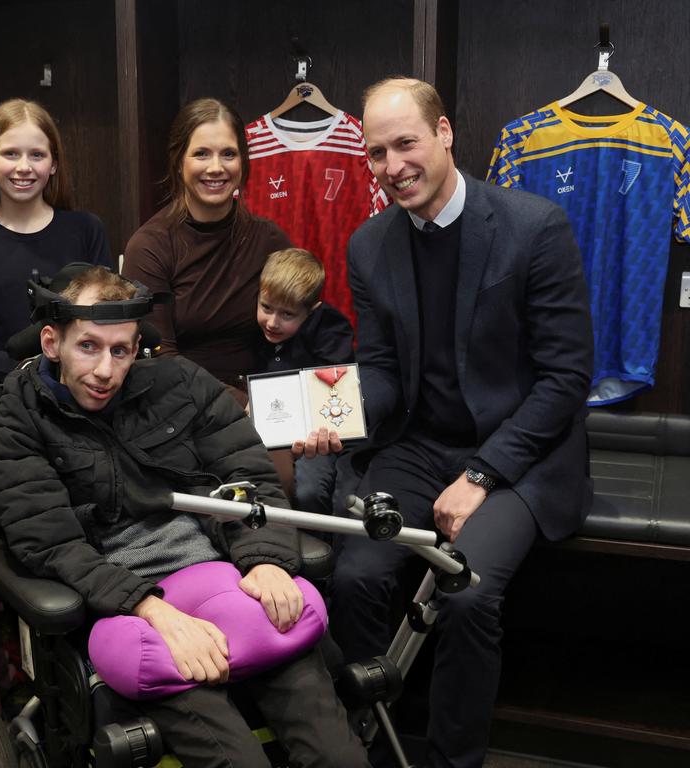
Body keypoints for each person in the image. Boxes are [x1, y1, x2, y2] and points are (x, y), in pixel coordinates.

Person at [0, 266, 369, 768]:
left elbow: (251, 478)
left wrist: (267, 559)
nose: (105, 370)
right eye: (89, 348)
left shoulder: (180, 384)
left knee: (339, 758)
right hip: (127, 605)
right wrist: (151, 609)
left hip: (226, 574)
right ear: (52, 342)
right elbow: (50, 544)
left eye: (119, 350)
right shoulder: (19, 421)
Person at [330, 77, 594, 768]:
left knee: (467, 593)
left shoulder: (533, 227)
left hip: (520, 458)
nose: (392, 168)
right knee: (355, 575)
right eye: (376, 154)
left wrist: (482, 474)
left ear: (444, 133)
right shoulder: (369, 245)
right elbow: (383, 370)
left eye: (406, 144)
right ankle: (359, 747)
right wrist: (340, 413)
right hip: (419, 446)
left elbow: (567, 379)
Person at [122, 98, 291, 398]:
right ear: (178, 161)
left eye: (228, 154)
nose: (216, 168)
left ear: (243, 161)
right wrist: (241, 407)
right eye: (201, 154)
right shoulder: (150, 247)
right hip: (181, 407)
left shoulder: (270, 241)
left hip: (267, 402)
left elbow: (301, 332)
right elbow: (159, 362)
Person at [0, 99, 112, 381]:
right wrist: (25, 372)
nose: (24, 167)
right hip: (2, 393)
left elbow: (106, 317)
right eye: (10, 154)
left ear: (54, 163)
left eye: (36, 155)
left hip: (82, 386)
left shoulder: (87, 229)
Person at [254, 248, 356, 516]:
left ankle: (321, 550)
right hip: (271, 432)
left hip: (317, 433)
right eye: (266, 308)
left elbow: (336, 397)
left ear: (312, 311)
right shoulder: (255, 330)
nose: (273, 323)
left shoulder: (332, 333)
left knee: (309, 491)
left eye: (287, 315)